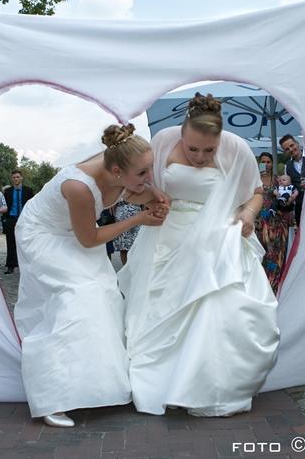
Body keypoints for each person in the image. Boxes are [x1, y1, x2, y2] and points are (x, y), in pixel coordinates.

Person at [119, 93, 280, 417]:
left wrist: (248, 213)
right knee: (159, 308)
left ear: (220, 139)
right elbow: (137, 191)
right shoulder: (162, 143)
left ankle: (207, 384)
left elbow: (256, 193)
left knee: (216, 307)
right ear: (181, 133)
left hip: (216, 240)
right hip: (167, 238)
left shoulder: (237, 148)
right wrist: (152, 199)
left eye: (209, 150)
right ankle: (164, 380)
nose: (199, 157)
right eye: (192, 149)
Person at [13, 124, 168, 428]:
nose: (149, 176)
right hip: (44, 234)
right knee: (77, 296)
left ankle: (97, 382)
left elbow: (134, 193)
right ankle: (52, 396)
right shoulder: (79, 187)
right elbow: (89, 239)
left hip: (78, 231)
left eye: (149, 169)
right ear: (116, 171)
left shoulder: (120, 163)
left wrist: (155, 197)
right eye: (142, 172)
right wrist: (139, 219)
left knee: (105, 292)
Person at [255, 152, 294, 293]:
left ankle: (276, 285)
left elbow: (288, 196)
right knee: (264, 252)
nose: (266, 164)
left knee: (278, 253)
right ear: (259, 163)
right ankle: (263, 285)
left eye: (268, 162)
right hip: (262, 221)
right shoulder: (254, 179)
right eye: (263, 161)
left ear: (272, 164)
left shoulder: (278, 180)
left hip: (278, 221)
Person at [2, 169, 33, 274]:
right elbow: (5, 206)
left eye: (17, 177)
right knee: (10, 242)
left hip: (24, 219)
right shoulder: (8, 192)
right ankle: (11, 265)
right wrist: (4, 220)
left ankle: (26, 265)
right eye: (14, 177)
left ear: (22, 178)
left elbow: (31, 206)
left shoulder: (28, 191)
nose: (16, 179)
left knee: (25, 243)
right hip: (11, 218)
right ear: (12, 179)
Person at [280, 134, 305, 226]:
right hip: (300, 207)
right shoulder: (287, 166)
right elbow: (289, 188)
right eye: (287, 149)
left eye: (292, 145)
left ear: (297, 143)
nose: (291, 149)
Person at [112, 200, 142, 265]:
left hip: (135, 211)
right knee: (123, 246)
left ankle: (134, 266)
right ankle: (125, 267)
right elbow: (114, 201)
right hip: (122, 212)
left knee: (135, 244)